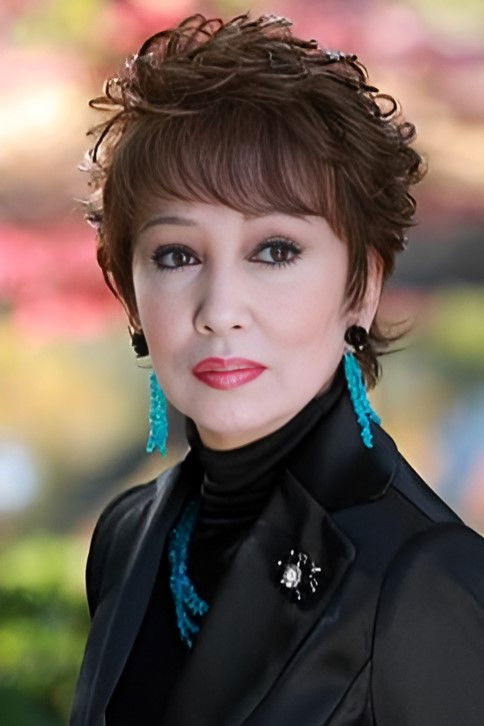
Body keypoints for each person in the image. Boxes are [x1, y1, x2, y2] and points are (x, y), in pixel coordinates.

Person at [70, 12, 484, 726]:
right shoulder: (126, 536)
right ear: (131, 296)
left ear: (361, 287)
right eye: (177, 255)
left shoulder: (426, 575)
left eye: (275, 251)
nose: (220, 311)